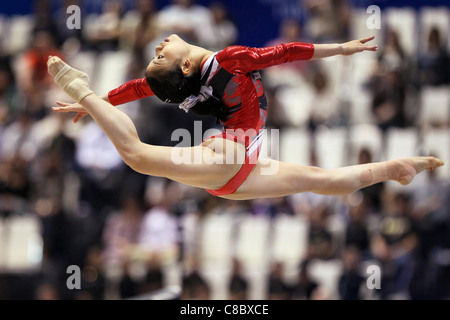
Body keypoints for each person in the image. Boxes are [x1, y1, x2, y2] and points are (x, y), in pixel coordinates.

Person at [47, 34, 444, 201]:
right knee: (135, 154)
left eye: (157, 54)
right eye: (160, 55)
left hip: (237, 170)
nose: (159, 44)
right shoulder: (228, 60)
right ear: (186, 64)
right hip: (233, 157)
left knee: (324, 181)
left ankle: (397, 168)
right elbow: (284, 52)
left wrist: (99, 102)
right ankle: (79, 85)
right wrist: (337, 49)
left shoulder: (193, 76)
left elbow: (136, 89)